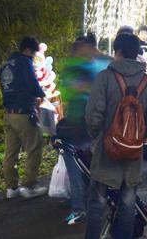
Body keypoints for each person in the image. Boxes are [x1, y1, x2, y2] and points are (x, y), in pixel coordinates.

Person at [84, 32, 147, 239]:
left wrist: (99, 138)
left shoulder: (105, 78)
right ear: (137, 53)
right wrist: (135, 138)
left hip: (106, 152)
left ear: (117, 52)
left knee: (97, 203)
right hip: (133, 155)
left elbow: (93, 117)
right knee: (128, 203)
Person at [56, 37, 111, 226]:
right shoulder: (83, 65)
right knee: (84, 163)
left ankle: (81, 207)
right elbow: (71, 90)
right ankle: (85, 204)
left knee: (82, 164)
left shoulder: (92, 64)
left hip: (87, 123)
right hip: (82, 123)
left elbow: (72, 89)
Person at [0, 35, 47, 199]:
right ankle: (29, 186)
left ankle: (11, 188)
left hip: (8, 114)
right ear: (28, 50)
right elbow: (32, 85)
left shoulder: (5, 65)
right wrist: (42, 94)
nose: (33, 57)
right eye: (33, 53)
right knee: (35, 146)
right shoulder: (24, 62)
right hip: (24, 113)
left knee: (11, 152)